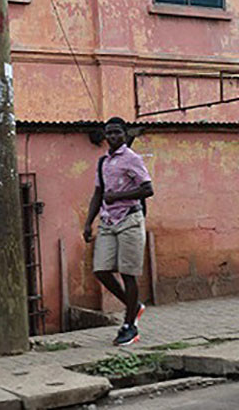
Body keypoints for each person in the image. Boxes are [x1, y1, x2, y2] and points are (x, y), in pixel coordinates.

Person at [83, 117, 154, 346]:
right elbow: (98, 193)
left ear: (124, 134)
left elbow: (147, 188)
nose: (112, 137)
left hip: (130, 219)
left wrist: (119, 197)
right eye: (109, 133)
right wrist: (87, 222)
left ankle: (129, 325)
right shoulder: (103, 162)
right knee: (101, 269)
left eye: (117, 133)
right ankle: (134, 305)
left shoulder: (132, 159)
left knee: (128, 273)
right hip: (107, 221)